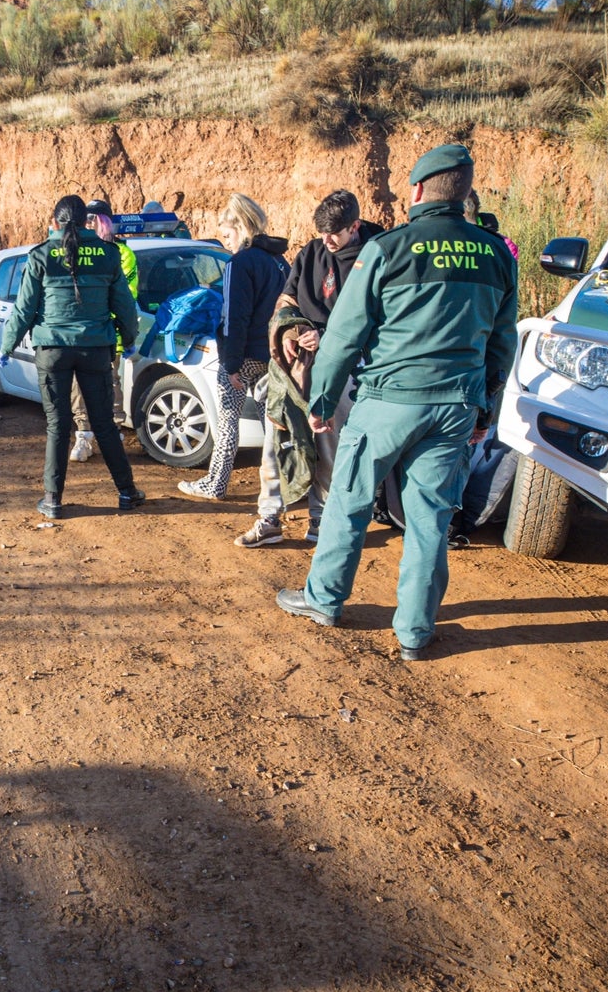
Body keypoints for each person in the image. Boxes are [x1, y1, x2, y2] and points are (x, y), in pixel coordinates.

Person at [275, 144, 519, 661]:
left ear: (415, 191)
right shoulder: (496, 253)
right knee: (429, 517)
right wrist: (484, 407)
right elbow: (502, 341)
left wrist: (319, 399)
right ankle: (414, 632)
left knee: (350, 499)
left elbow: (342, 335)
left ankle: (324, 600)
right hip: (454, 405)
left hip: (388, 400)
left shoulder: (389, 249)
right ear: (463, 191)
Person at [236, 189, 385, 548]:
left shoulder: (379, 255)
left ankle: (321, 522)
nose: (327, 241)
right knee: (276, 442)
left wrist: (327, 337)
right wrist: (289, 330)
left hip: (346, 369)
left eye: (334, 233)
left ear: (356, 225)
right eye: (321, 233)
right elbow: (286, 300)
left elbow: (381, 320)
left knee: (329, 448)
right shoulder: (312, 252)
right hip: (293, 369)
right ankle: (270, 518)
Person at [0, 194, 145, 519]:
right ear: (86, 222)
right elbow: (124, 306)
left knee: (58, 425)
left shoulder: (40, 255)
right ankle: (126, 492)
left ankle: (52, 501)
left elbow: (24, 309)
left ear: (54, 222)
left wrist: (7, 347)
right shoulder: (109, 255)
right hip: (95, 350)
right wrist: (129, 340)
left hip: (52, 350)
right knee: (104, 423)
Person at [177, 193, 289, 500]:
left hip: (245, 355)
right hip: (275, 354)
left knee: (227, 421)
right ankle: (284, 485)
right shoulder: (279, 261)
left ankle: (216, 483)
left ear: (240, 227)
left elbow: (233, 316)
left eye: (227, 235)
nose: (226, 242)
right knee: (275, 424)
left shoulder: (240, 264)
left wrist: (231, 363)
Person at [67, 200, 140, 463]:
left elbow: (125, 297)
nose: (89, 224)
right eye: (86, 219)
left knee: (110, 386)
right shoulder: (79, 249)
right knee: (79, 387)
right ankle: (83, 438)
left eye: (94, 219)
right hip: (81, 332)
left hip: (109, 334)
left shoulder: (121, 253)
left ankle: (114, 436)